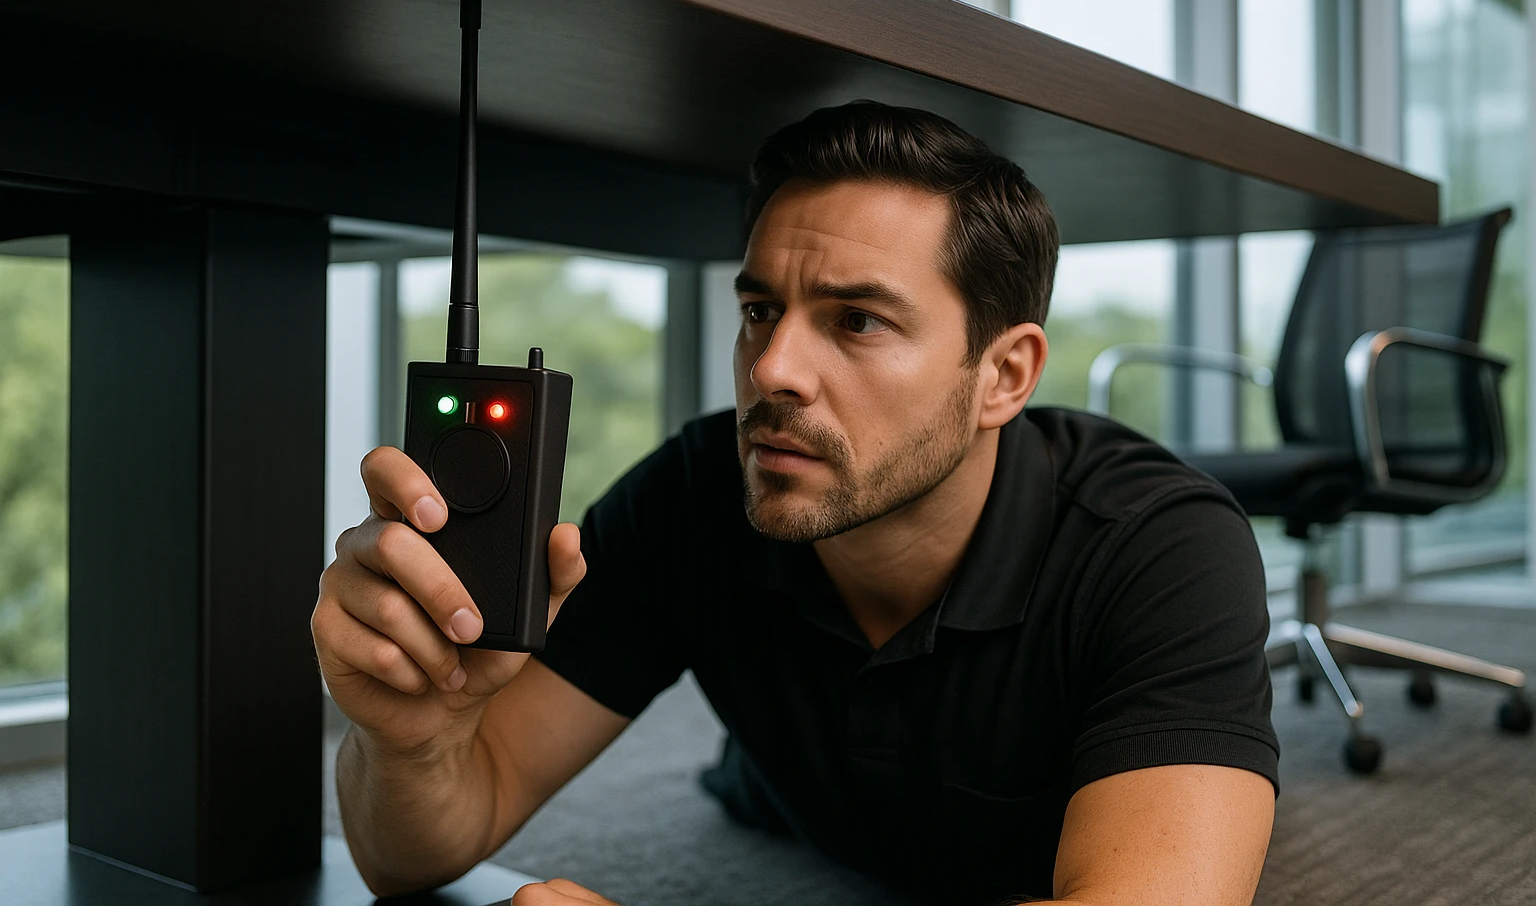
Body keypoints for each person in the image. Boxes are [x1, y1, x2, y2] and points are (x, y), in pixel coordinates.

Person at [312, 102, 1279, 906]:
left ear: (1004, 375)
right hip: (783, 798)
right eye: (759, 311)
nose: (770, 370)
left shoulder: (1158, 545)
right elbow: (414, 856)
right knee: (741, 789)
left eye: (856, 320)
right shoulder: (700, 491)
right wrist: (410, 741)